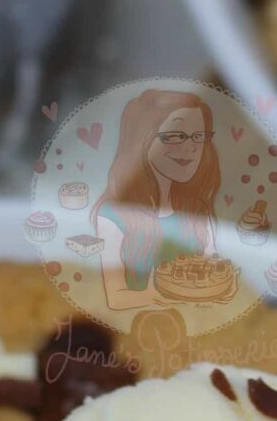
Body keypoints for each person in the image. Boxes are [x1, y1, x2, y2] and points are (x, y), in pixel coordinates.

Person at [91, 88, 221, 318]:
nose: (191, 147)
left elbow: (213, 280)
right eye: (176, 136)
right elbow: (115, 297)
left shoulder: (198, 212)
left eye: (198, 136)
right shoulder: (113, 218)